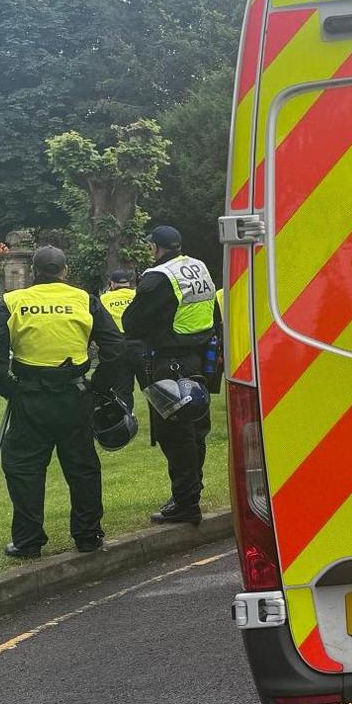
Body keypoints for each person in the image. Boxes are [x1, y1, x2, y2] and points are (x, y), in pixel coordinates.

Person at [0, 246, 128, 558]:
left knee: (24, 467)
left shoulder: (13, 302)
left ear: (33, 272)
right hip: (75, 395)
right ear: (65, 271)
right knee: (82, 467)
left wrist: (8, 388)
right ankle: (88, 536)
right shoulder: (84, 300)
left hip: (30, 397)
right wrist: (98, 385)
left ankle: (28, 540)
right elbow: (115, 345)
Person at [124, 225, 221, 525]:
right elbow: (213, 314)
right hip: (199, 360)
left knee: (175, 436)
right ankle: (191, 493)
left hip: (170, 364)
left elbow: (132, 322)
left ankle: (185, 503)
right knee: (196, 431)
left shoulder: (158, 278)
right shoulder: (197, 266)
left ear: (156, 247)